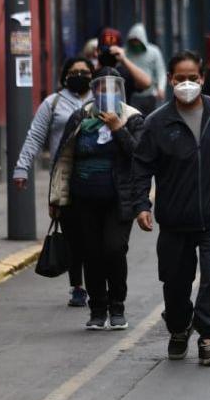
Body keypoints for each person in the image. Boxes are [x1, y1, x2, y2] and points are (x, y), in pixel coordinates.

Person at [133, 50, 210, 366]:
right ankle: (179, 326)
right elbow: (141, 167)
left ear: (202, 78)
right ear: (170, 80)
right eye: (180, 78)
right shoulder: (157, 123)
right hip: (175, 220)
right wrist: (141, 204)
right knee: (175, 285)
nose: (187, 83)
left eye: (193, 78)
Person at [50, 68, 144, 331]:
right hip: (83, 201)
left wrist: (118, 129)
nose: (106, 93)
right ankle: (97, 309)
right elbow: (64, 158)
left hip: (118, 200)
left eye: (112, 88)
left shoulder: (132, 118)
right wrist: (56, 198)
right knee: (90, 253)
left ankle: (117, 306)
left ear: (120, 91)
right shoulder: (80, 117)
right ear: (94, 90)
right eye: (101, 88)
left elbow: (140, 155)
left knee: (113, 249)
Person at [14, 57, 95, 307]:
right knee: (73, 235)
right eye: (73, 71)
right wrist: (21, 168)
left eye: (84, 71)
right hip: (64, 180)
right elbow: (35, 136)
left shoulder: (103, 99)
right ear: (64, 76)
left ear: (93, 76)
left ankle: (98, 286)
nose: (79, 75)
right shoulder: (53, 103)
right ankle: (78, 287)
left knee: (95, 235)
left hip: (98, 179)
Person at [96, 28, 152, 109]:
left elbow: (147, 83)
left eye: (113, 53)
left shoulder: (123, 73)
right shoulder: (92, 71)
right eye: (106, 51)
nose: (109, 55)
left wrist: (124, 59)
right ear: (98, 51)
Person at [125, 23, 168, 113]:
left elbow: (161, 72)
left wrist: (161, 88)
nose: (135, 43)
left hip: (151, 94)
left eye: (137, 41)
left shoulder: (154, 51)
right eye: (133, 41)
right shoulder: (125, 53)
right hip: (132, 96)